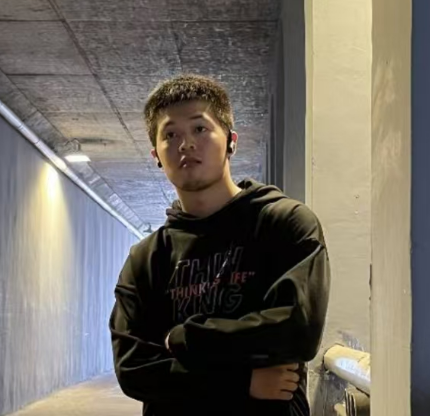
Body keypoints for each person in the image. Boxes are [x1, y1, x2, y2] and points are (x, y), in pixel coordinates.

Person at [109, 74, 330, 416]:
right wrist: (242, 382)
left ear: (231, 141)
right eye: (170, 135)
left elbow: (296, 329)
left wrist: (185, 338)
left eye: (200, 128)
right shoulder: (146, 258)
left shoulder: (285, 224)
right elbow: (134, 368)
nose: (186, 144)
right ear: (156, 155)